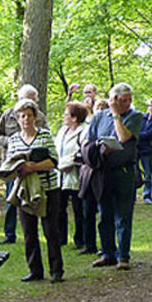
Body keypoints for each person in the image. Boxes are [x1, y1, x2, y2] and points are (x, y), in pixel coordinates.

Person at [1, 99, 62, 283]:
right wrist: (21, 167)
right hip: (24, 191)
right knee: (29, 232)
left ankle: (56, 270)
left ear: (35, 117)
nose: (25, 119)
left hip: (48, 189)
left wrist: (33, 167)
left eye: (29, 115)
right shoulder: (13, 140)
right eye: (22, 116)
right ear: (17, 119)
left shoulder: (45, 136)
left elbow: (53, 162)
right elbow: (9, 165)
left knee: (51, 230)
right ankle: (35, 270)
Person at [87, 83, 144, 269]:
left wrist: (116, 116)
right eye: (123, 100)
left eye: (129, 100)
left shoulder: (134, 116)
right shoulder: (99, 117)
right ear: (114, 99)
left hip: (124, 171)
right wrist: (101, 148)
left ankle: (123, 256)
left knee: (123, 215)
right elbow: (90, 140)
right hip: (103, 172)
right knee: (105, 214)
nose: (127, 103)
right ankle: (107, 252)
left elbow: (124, 137)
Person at [0, 85, 49, 244]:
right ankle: (9, 234)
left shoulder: (40, 117)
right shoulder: (8, 115)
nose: (31, 102)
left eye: (33, 99)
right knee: (12, 197)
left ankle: (37, 233)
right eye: (28, 98)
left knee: (34, 196)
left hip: (33, 165)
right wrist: (10, 142)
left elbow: (46, 136)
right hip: (12, 165)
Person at [55, 101, 88, 250]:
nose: (64, 116)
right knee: (59, 209)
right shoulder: (62, 130)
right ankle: (61, 238)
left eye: (66, 114)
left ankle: (80, 239)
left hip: (76, 175)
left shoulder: (84, 131)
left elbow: (82, 151)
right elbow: (55, 149)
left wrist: (69, 163)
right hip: (59, 175)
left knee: (78, 209)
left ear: (74, 118)